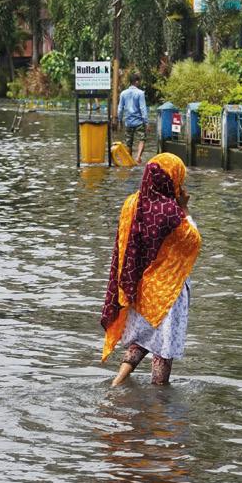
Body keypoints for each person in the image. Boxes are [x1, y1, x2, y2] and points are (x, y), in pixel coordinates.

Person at [101, 153, 201, 386]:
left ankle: (117, 382)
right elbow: (193, 240)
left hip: (140, 287)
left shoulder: (131, 203)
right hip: (168, 291)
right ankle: (159, 398)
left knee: (142, 339)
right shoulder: (171, 212)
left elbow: (124, 243)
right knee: (163, 349)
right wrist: (185, 208)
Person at [118, 73, 149, 164]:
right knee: (142, 139)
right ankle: (138, 157)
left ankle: (129, 161)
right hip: (139, 122)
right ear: (136, 81)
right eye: (139, 81)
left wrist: (120, 121)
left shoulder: (123, 93)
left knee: (128, 143)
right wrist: (146, 122)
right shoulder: (140, 93)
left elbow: (120, 109)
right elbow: (143, 108)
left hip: (128, 122)